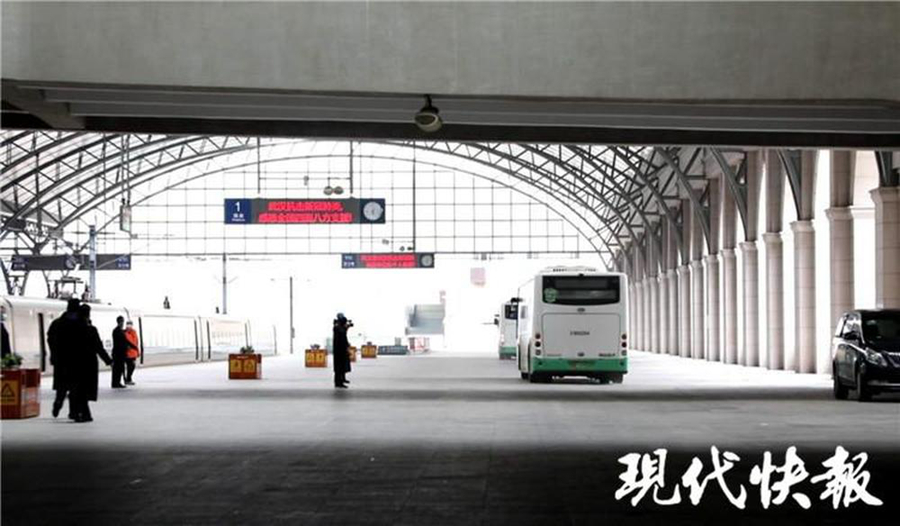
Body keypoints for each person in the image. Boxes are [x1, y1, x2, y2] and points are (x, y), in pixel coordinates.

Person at [69, 304, 112, 422]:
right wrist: (108, 361)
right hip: (89, 363)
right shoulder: (91, 330)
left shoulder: (72, 329)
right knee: (85, 389)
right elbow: (99, 347)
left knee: (78, 388)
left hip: (75, 363)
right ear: (88, 315)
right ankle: (83, 414)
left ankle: (80, 413)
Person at [46, 299, 81, 419]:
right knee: (74, 387)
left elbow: (50, 339)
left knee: (61, 386)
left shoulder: (57, 323)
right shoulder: (80, 323)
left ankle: (58, 402)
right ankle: (73, 412)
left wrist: (53, 354)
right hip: (76, 360)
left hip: (60, 360)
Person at [111, 316, 137, 388]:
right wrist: (127, 347)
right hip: (118, 353)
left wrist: (133, 347)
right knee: (117, 369)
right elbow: (120, 342)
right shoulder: (117, 331)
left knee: (120, 368)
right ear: (119, 322)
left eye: (122, 321)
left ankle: (117, 382)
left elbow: (126, 341)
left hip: (121, 353)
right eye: (122, 321)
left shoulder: (120, 331)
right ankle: (116, 383)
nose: (122, 323)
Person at [332, 313, 352, 389]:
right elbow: (342, 333)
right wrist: (346, 327)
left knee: (342, 366)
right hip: (339, 350)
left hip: (341, 350)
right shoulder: (337, 327)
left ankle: (341, 380)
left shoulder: (338, 327)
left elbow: (343, 334)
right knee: (339, 367)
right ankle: (338, 382)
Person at [124, 320, 140, 385]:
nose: (129, 325)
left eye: (130, 324)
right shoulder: (124, 332)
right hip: (127, 353)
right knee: (130, 366)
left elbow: (136, 341)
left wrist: (137, 351)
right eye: (128, 324)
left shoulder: (134, 332)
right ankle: (128, 379)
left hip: (133, 352)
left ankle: (128, 378)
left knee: (132, 366)